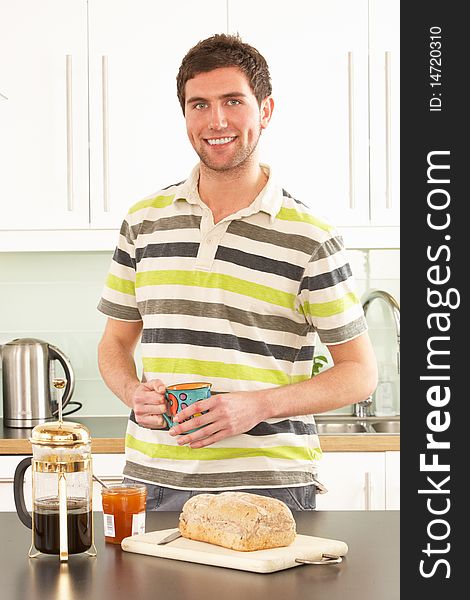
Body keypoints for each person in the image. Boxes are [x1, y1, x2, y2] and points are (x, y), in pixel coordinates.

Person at [97, 33, 378, 511]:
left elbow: (359, 373)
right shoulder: (143, 222)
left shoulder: (309, 236)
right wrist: (132, 392)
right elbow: (115, 343)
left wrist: (258, 405)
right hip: (154, 481)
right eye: (199, 105)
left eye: (233, 101)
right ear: (184, 115)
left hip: (268, 487)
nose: (217, 121)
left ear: (265, 110)